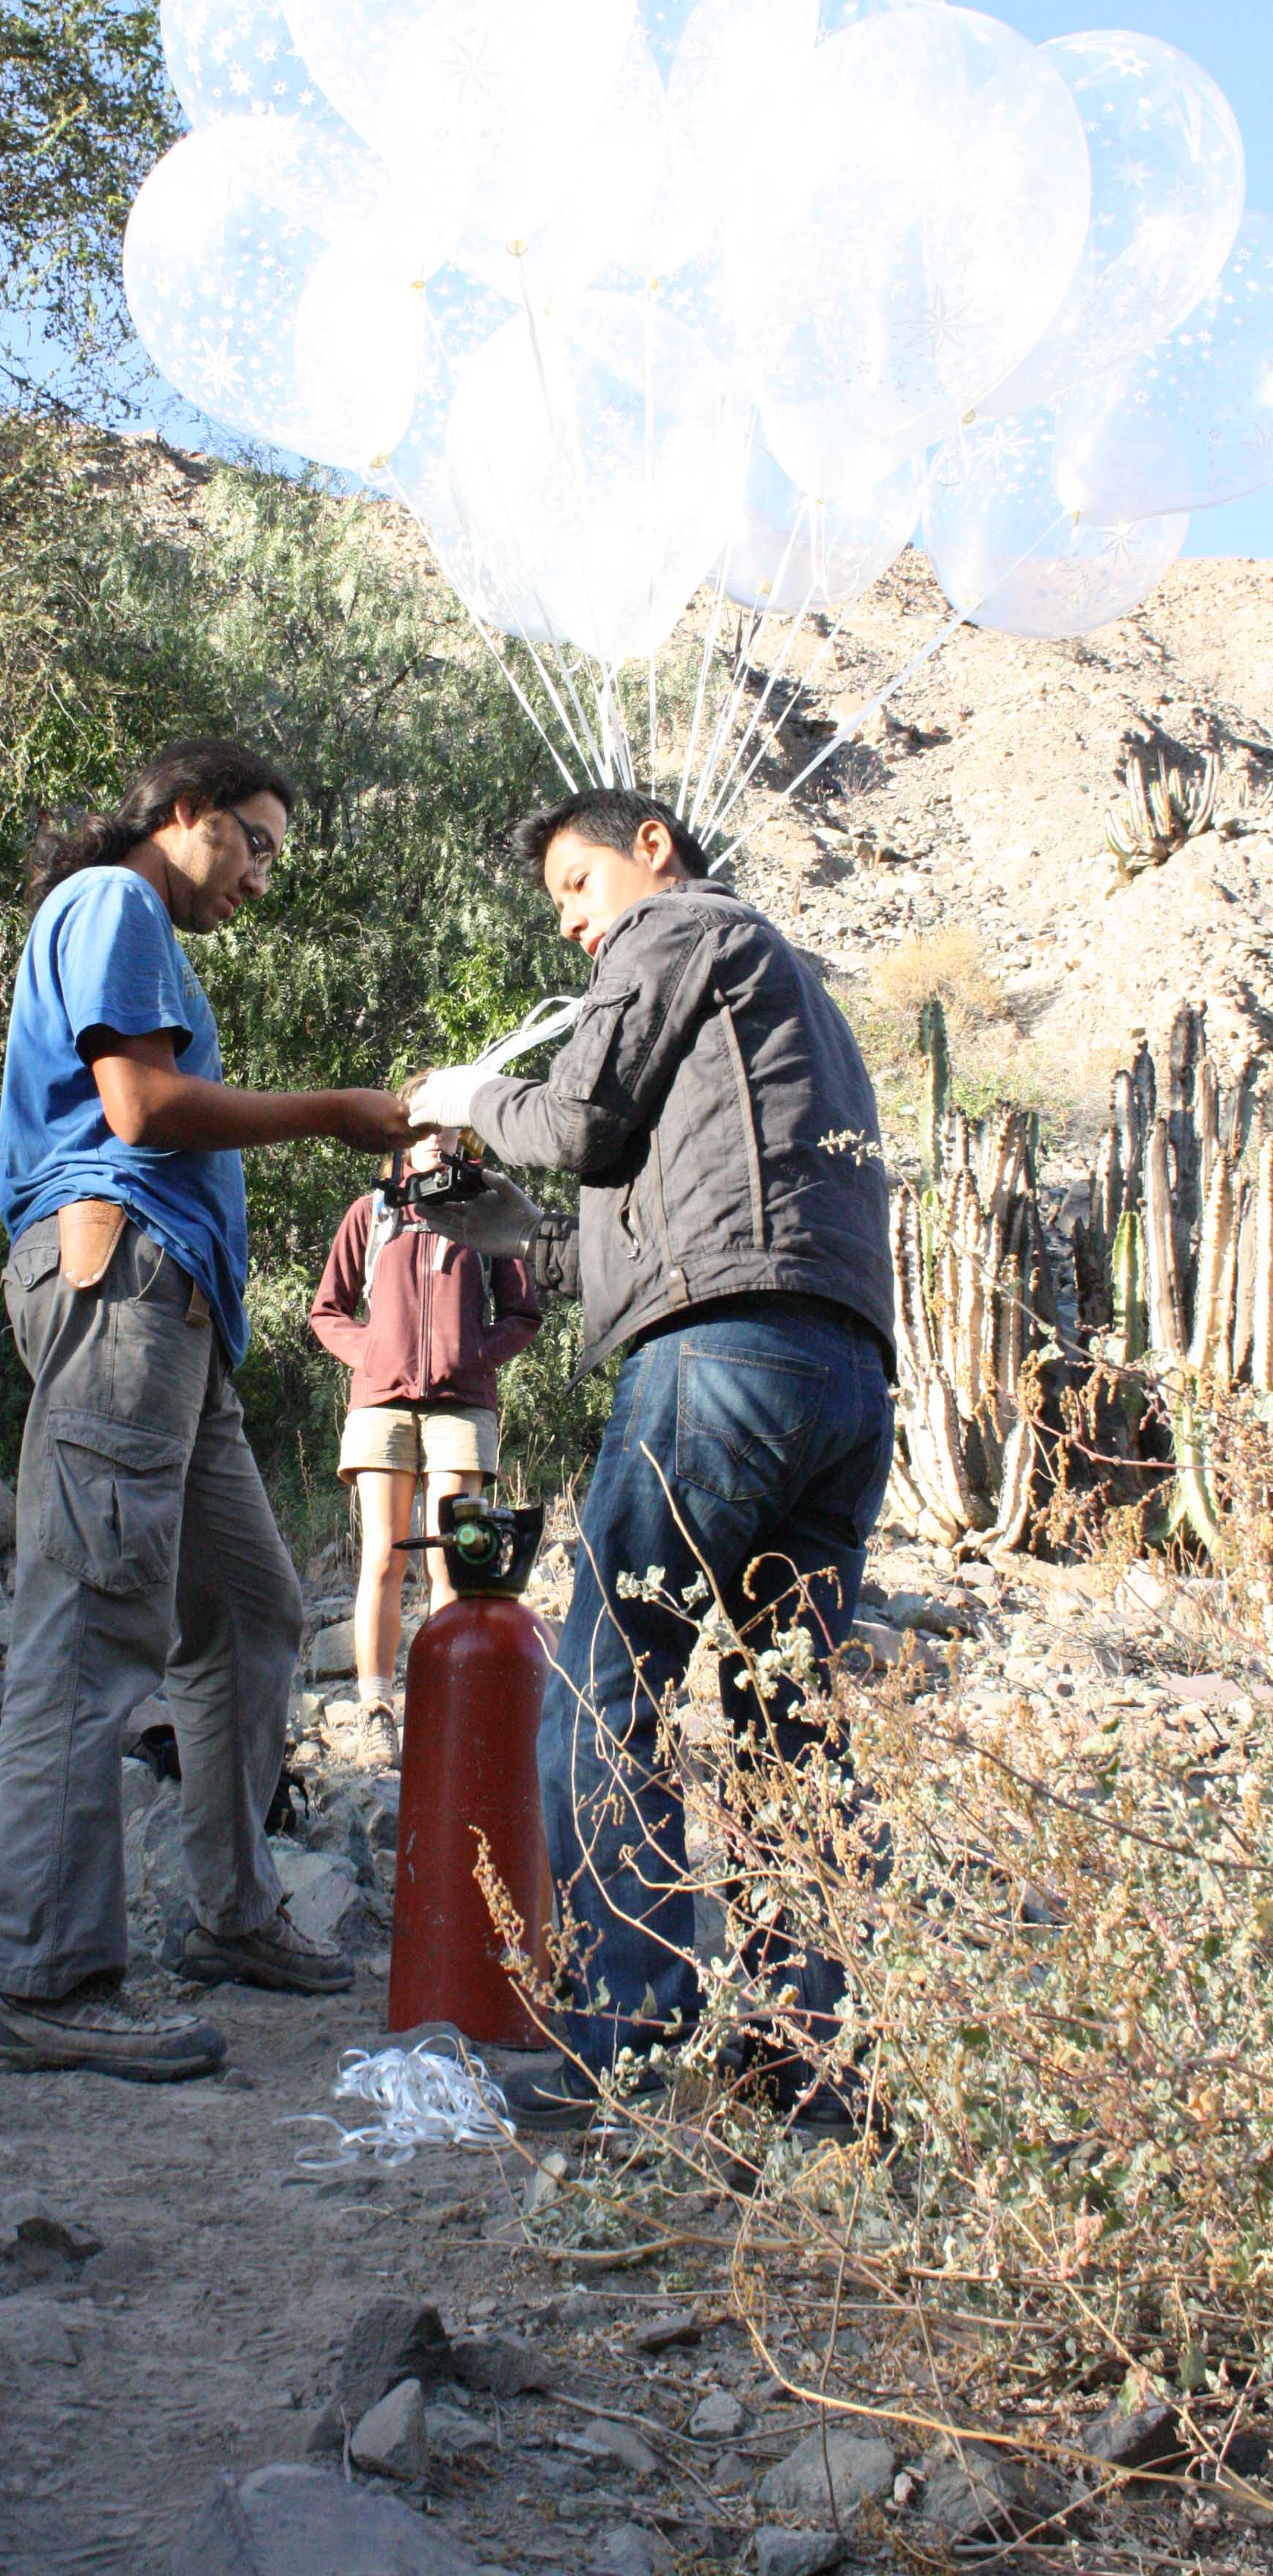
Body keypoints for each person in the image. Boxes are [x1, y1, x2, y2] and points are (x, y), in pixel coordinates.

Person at [407, 787, 895, 2129]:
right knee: (789, 1718)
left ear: (652, 850)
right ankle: (807, 2064)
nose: (574, 925)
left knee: (606, 1691)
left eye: (577, 886)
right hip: (844, 1374)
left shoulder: (680, 927)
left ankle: (625, 2045)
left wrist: (466, 1096)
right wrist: (504, 1222)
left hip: (720, 1363)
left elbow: (579, 1125)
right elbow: (640, 1209)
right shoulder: (785, 997)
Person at [0, 737, 418, 2087]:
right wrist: (337, 1113)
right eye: (254, 842)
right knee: (93, 1619)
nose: (261, 877)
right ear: (183, 812)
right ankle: (45, 1975)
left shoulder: (131, 922)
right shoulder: (115, 900)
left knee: (252, 1608)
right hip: (122, 1283)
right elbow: (143, 1105)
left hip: (173, 1314)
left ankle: (230, 1913)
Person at [309, 1131, 544, 1765]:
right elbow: (327, 1310)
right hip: (381, 1406)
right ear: (402, 1142)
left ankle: (444, 1710)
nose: (436, 1140)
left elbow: (523, 1314)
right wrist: (373, 1356)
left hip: (461, 1408)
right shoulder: (371, 1212)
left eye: (447, 1128)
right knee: (384, 1557)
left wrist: (475, 1357)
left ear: (462, 1141)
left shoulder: (484, 1211)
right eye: (422, 1128)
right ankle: (376, 1709)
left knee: (452, 1563)